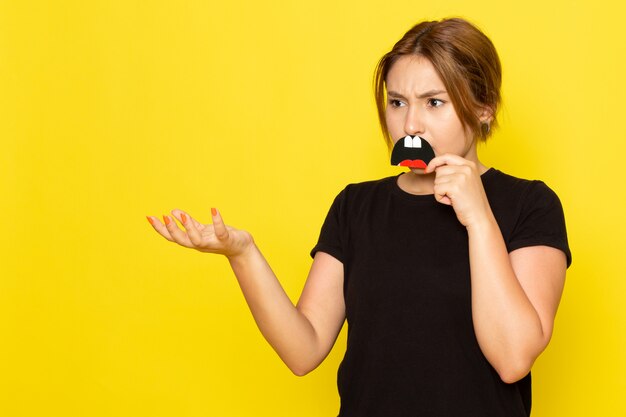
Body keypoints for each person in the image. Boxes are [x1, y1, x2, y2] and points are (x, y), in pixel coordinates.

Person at [146, 17, 571, 417]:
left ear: (484, 108)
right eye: (398, 102)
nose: (410, 125)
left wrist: (479, 218)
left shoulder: (530, 205)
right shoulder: (355, 208)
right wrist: (242, 253)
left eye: (434, 102)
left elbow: (514, 358)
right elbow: (303, 350)